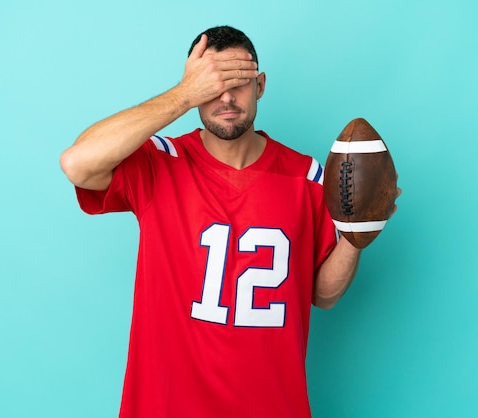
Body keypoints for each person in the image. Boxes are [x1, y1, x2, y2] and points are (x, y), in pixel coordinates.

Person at [61, 25, 369, 418]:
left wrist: (356, 236)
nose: (225, 97)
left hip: (273, 406)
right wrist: (183, 94)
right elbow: (77, 163)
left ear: (260, 86)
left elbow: (323, 295)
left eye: (237, 82)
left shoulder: (308, 177)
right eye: (211, 85)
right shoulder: (161, 162)